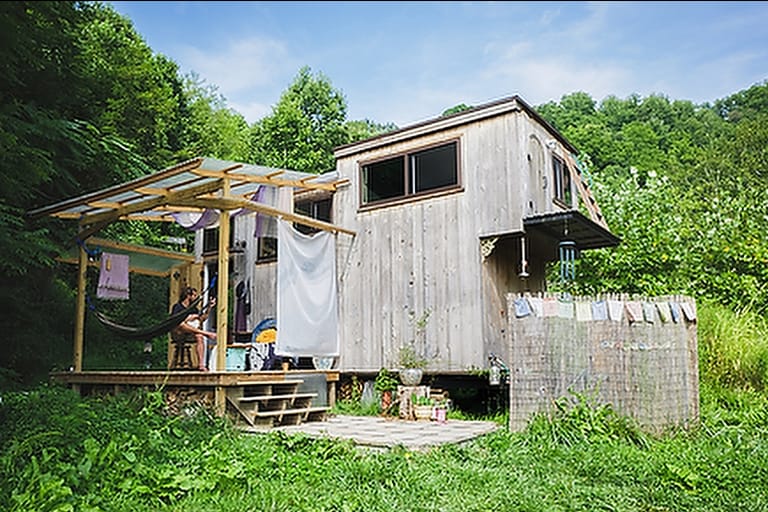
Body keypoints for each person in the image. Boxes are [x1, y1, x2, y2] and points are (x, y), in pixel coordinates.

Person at [170, 286, 216, 371]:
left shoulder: (193, 308)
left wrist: (209, 308)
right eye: (194, 295)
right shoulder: (177, 307)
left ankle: (201, 365)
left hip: (190, 333)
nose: (195, 298)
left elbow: (202, 319)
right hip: (178, 333)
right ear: (188, 296)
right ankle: (207, 333)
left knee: (199, 336)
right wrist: (189, 318)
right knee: (181, 324)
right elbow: (174, 321)